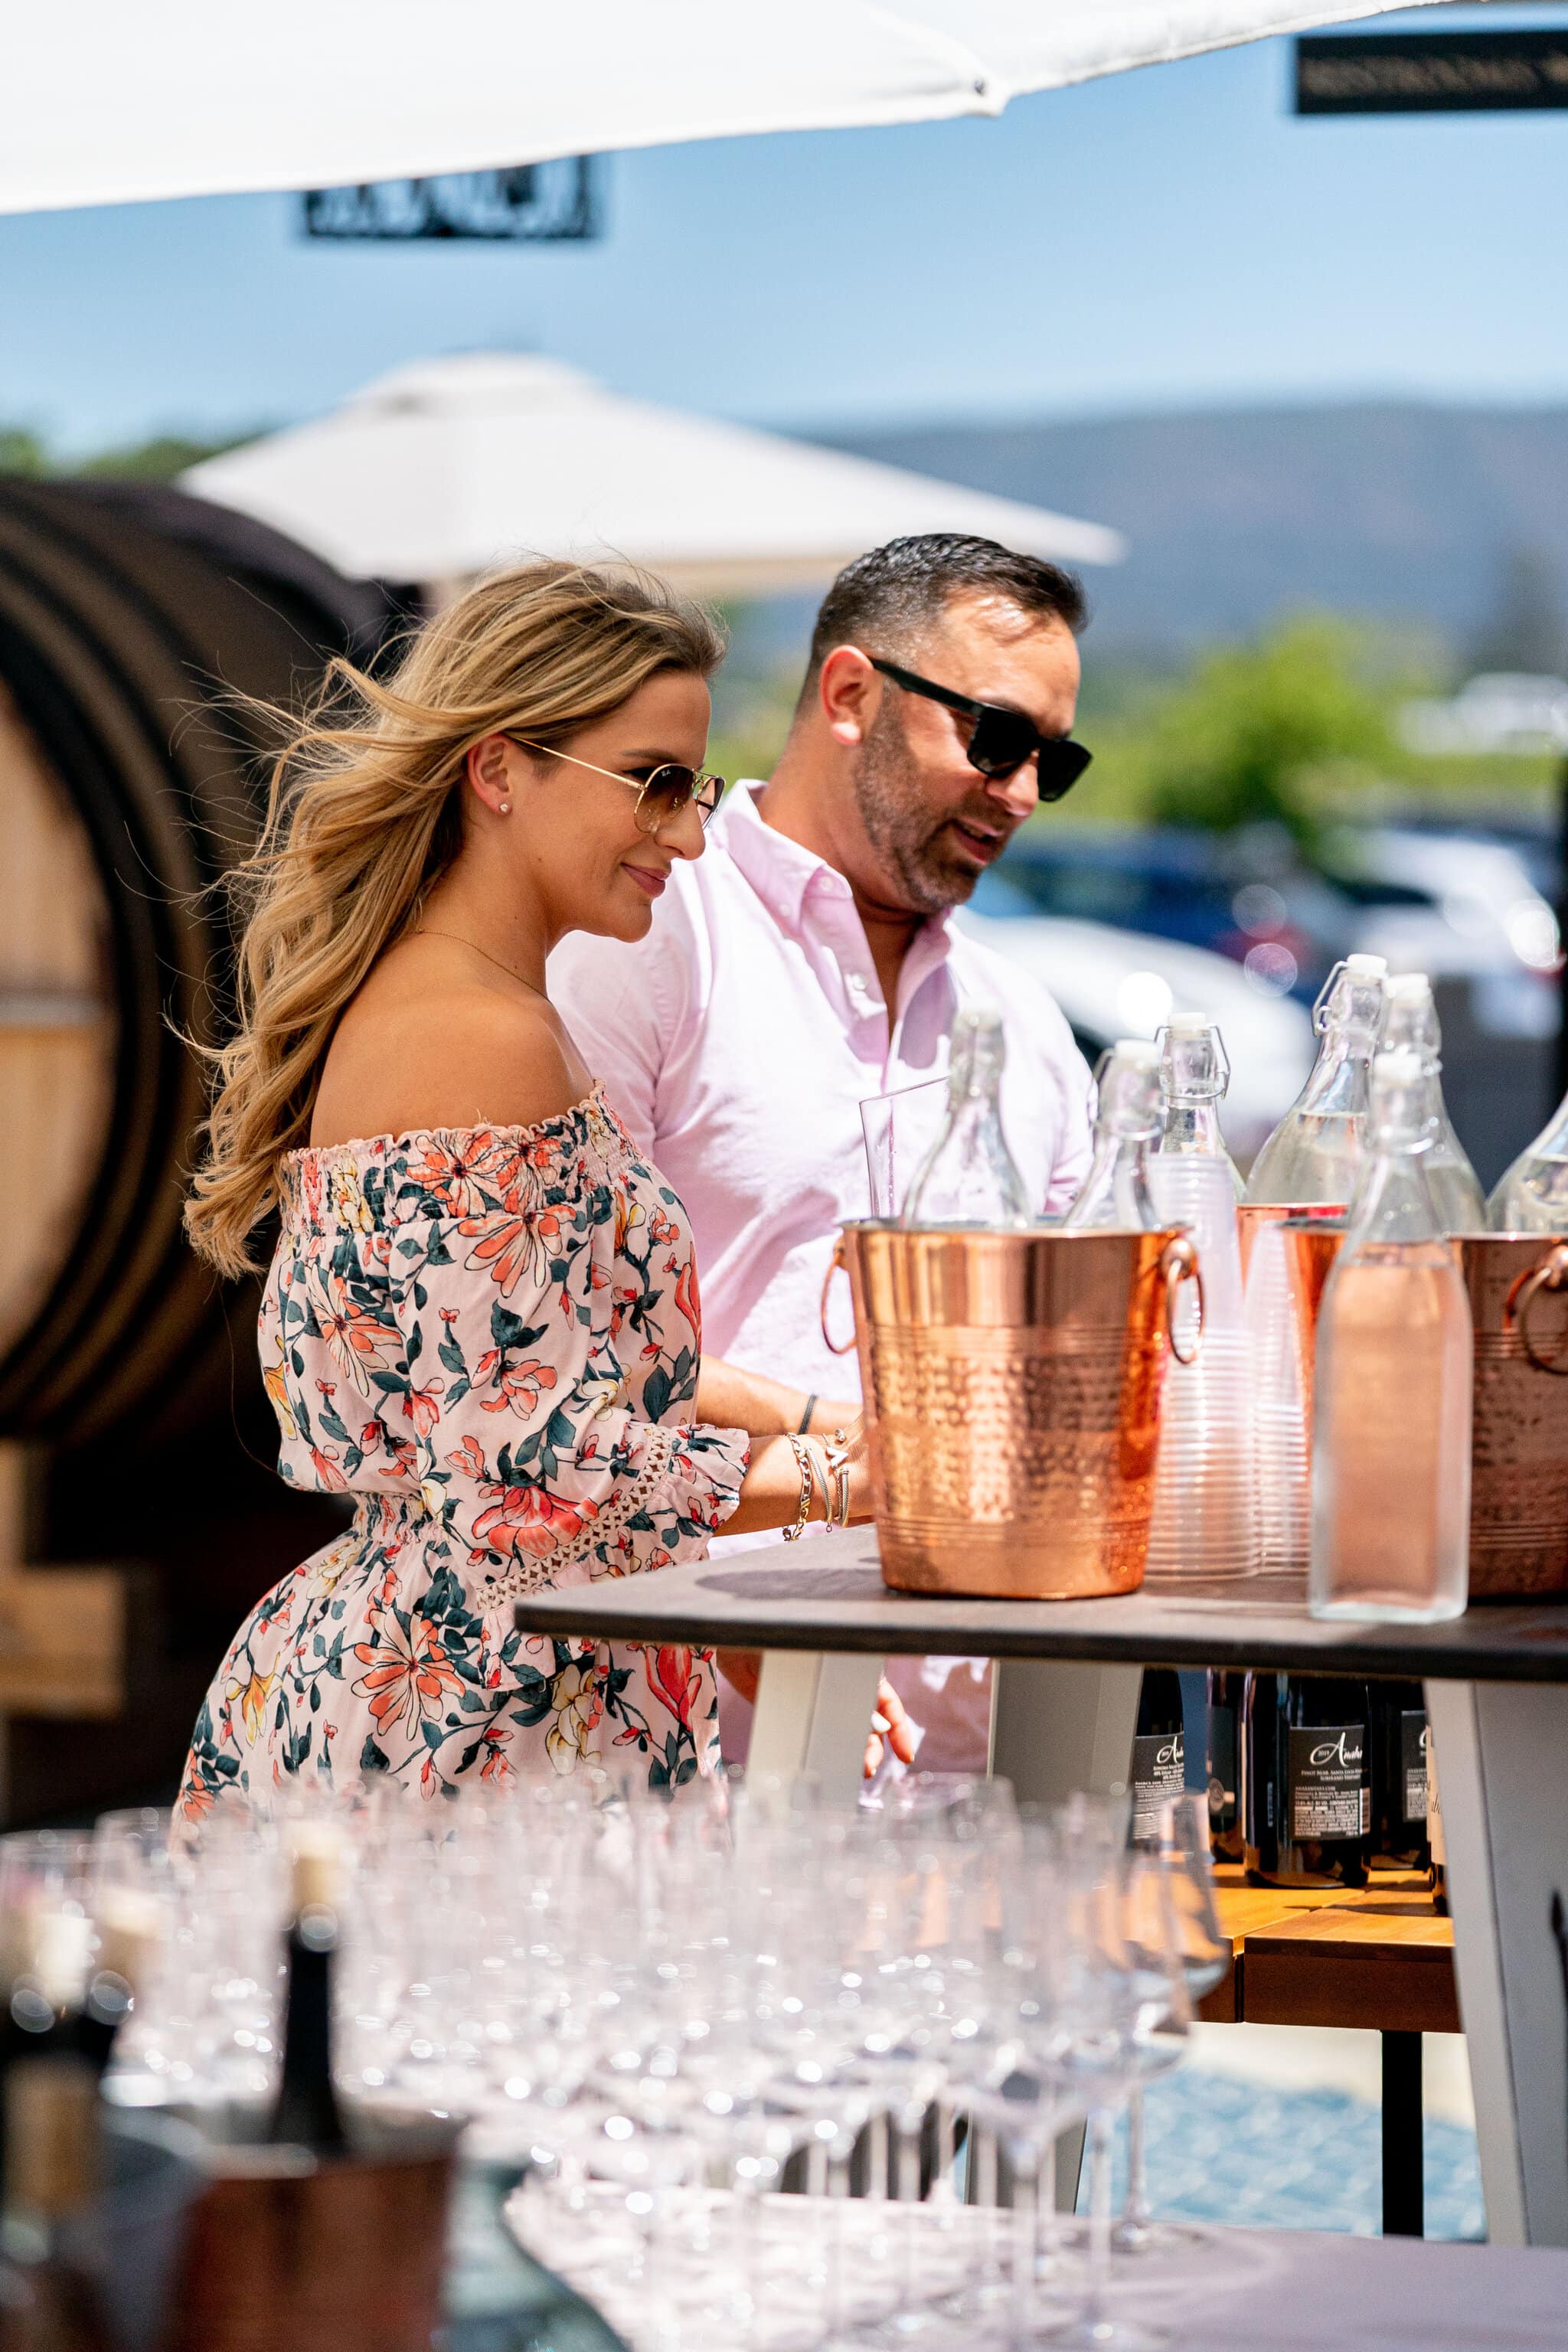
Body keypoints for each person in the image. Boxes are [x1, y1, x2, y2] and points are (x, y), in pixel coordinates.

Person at [176, 560, 910, 1817]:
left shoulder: (497, 1013)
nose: (687, 836)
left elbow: (577, 1368)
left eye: (699, 788)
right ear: (501, 770)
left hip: (482, 1694)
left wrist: (828, 1424)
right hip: (473, 1728)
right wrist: (877, 1479)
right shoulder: (481, 1037)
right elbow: (532, 1475)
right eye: (656, 784)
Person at [550, 534, 1096, 1772]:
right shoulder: (646, 942)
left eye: (1050, 762)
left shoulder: (1026, 1026)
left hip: (972, 1762)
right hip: (692, 1744)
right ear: (851, 695)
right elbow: (566, 1352)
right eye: (996, 739)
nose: (1019, 792)